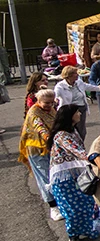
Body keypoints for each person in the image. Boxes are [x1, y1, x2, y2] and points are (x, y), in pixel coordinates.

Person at [47, 104, 99, 241]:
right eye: (77, 112)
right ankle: (73, 235)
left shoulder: (73, 130)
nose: (80, 114)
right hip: (63, 178)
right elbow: (75, 150)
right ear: (70, 116)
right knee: (71, 207)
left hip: (76, 174)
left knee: (86, 203)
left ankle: (89, 230)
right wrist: (93, 158)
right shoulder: (61, 135)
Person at [19, 89, 60, 220]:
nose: (49, 105)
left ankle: (59, 201)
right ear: (38, 101)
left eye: (51, 102)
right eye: (46, 103)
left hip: (51, 147)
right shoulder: (34, 113)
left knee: (55, 175)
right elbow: (40, 127)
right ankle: (53, 207)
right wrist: (49, 137)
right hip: (37, 149)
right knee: (45, 178)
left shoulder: (51, 110)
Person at [53, 65, 100, 140]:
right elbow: (55, 94)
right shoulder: (60, 86)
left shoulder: (79, 82)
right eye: (75, 73)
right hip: (69, 111)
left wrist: (98, 88)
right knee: (69, 129)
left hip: (81, 108)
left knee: (81, 131)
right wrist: (55, 99)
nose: (77, 75)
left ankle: (80, 144)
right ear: (68, 76)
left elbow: (87, 86)